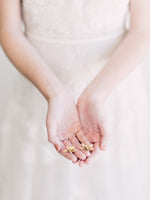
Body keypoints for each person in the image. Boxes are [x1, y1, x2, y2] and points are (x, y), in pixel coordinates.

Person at [0, 0, 150, 199]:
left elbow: (141, 30)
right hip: (40, 91)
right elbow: (9, 30)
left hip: (114, 90)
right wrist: (54, 93)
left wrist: (97, 94)